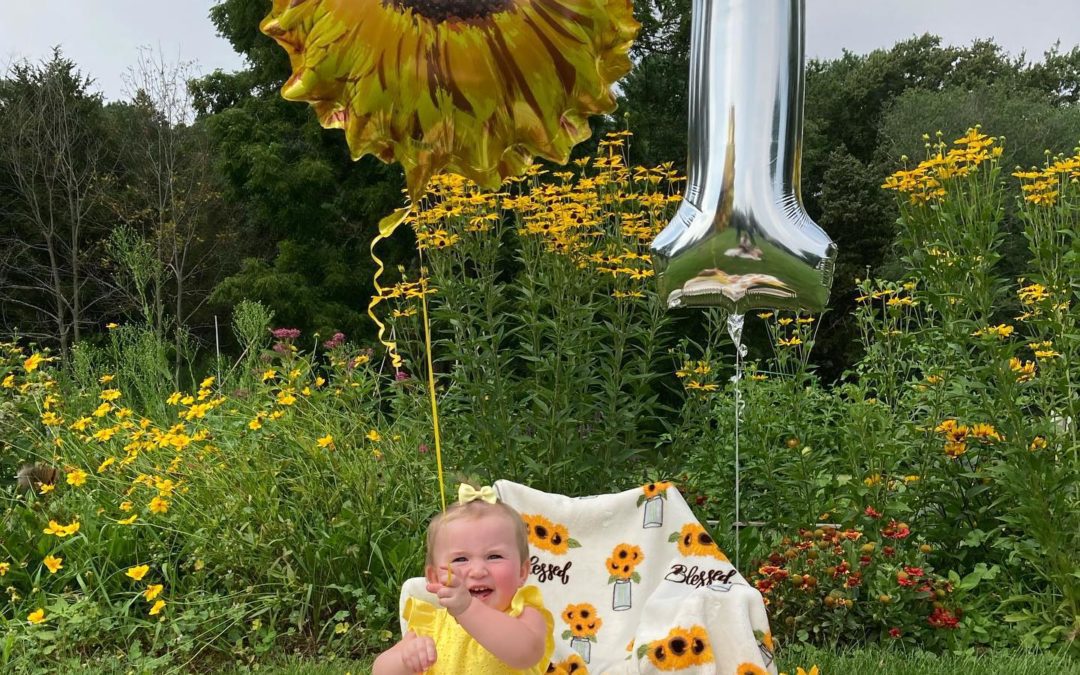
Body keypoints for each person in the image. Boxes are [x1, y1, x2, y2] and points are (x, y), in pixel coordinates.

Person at [373, 484, 554, 674]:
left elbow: (525, 653)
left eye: (494, 556)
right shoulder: (431, 625)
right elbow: (380, 670)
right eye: (460, 559)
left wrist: (467, 609)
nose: (477, 571)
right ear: (435, 577)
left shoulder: (525, 616)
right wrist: (405, 659)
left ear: (522, 572)